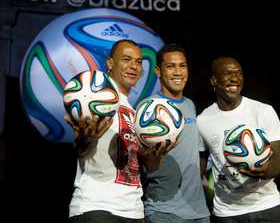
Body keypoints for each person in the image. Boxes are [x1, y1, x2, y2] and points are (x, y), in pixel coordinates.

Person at [66, 39, 168, 223]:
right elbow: (81, 149)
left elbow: (150, 166)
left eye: (138, 62)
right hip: (97, 208)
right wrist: (86, 139)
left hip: (134, 211)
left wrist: (156, 152)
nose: (134, 66)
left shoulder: (134, 113)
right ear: (110, 63)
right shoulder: (94, 98)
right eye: (126, 59)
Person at [197, 56, 280, 222]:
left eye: (239, 73)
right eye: (228, 73)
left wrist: (265, 171)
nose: (235, 78)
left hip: (267, 206)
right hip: (227, 213)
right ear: (214, 81)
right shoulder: (202, 120)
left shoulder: (263, 111)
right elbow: (199, 165)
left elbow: (278, 160)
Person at [141, 43, 210, 223]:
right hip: (163, 211)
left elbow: (194, 153)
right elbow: (144, 162)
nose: (178, 72)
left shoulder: (190, 105)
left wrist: (200, 176)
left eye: (183, 65)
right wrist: (154, 155)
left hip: (198, 210)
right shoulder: (148, 108)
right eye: (171, 66)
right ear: (158, 71)